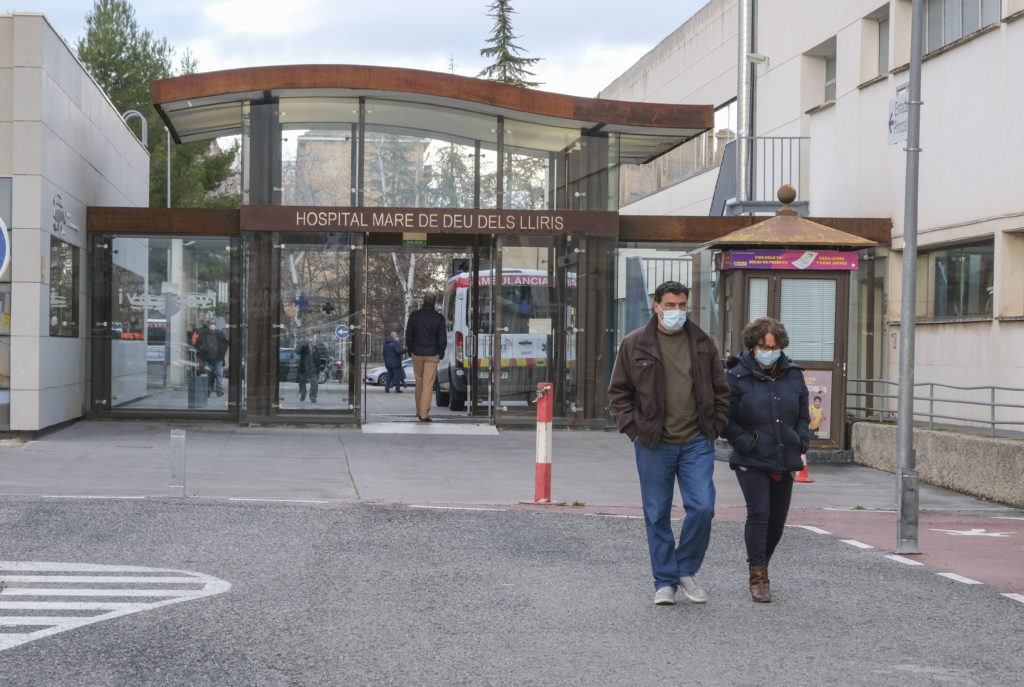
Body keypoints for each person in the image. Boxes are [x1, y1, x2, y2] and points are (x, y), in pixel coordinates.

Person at [608, 281, 730, 606]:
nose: (677, 311)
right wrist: (634, 430)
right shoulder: (634, 344)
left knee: (703, 507)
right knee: (657, 513)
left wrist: (714, 425)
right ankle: (665, 581)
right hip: (653, 443)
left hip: (695, 441)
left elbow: (721, 391)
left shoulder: (703, 343)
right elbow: (618, 394)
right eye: (671, 305)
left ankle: (684, 568)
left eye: (682, 305)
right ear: (656, 306)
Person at [723, 317, 810, 603]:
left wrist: (800, 441)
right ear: (753, 345)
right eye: (763, 345)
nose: (769, 351)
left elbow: (802, 415)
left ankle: (763, 562)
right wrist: (748, 443)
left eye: (773, 346)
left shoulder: (794, 374)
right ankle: (758, 577)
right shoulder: (736, 376)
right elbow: (725, 420)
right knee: (759, 513)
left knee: (777, 521)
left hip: (784, 454)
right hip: (751, 456)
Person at [405, 293, 446, 422]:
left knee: (419, 382)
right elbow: (442, 338)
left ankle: (419, 410)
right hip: (432, 353)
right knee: (428, 384)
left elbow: (409, 335)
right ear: (435, 303)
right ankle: (424, 413)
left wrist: (410, 350)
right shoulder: (439, 318)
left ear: (423, 301)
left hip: (417, 352)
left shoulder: (414, 316)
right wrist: (441, 352)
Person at [194, 317, 228, 397]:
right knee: (207, 374)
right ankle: (207, 390)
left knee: (218, 373)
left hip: (218, 358)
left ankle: (219, 390)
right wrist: (202, 352)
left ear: (215, 324)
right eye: (211, 323)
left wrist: (223, 353)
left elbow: (226, 343)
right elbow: (196, 344)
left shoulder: (219, 333)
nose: (212, 325)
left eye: (213, 323)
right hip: (206, 358)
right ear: (208, 324)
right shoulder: (203, 334)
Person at [296, 327, 328, 403]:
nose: (307, 335)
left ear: (313, 333)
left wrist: (322, 363)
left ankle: (313, 396)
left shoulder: (318, 342)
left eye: (308, 334)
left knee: (314, 383)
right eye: (306, 334)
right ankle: (303, 394)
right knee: (301, 382)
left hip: (314, 367)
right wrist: (304, 343)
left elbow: (325, 354)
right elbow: (297, 351)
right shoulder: (301, 340)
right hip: (303, 366)